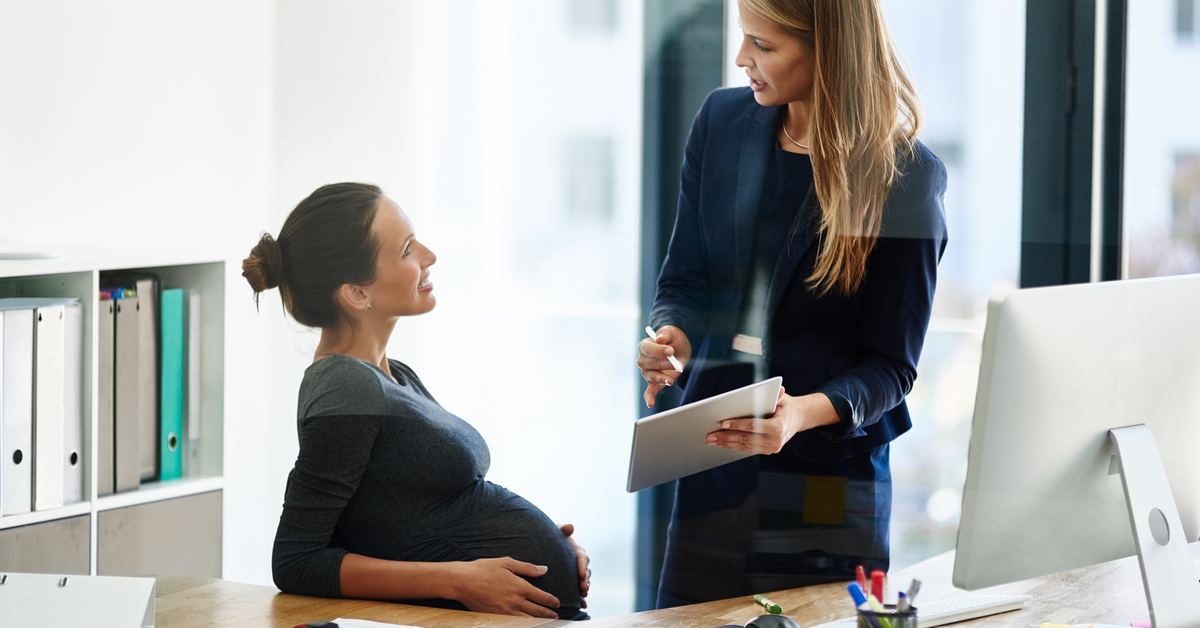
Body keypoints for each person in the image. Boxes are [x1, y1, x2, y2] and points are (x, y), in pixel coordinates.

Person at [636, 0, 947, 608]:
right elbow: (685, 282)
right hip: (715, 467)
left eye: (764, 45)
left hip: (827, 484)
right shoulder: (721, 122)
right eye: (744, 38)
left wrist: (799, 415)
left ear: (827, 49)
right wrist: (673, 334)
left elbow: (891, 366)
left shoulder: (904, 177)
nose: (741, 58)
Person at [243, 183, 590, 619]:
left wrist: (548, 545)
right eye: (407, 249)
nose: (429, 255)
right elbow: (297, 558)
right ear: (357, 293)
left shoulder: (394, 375)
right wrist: (461, 577)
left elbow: (403, 520)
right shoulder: (344, 385)